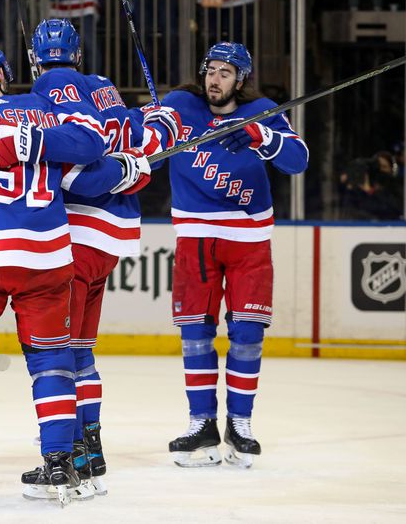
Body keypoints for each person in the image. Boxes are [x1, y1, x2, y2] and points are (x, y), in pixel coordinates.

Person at [0, 41, 149, 506]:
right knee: (52, 364)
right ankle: (60, 460)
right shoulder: (41, 108)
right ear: (3, 74)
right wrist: (128, 168)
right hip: (45, 260)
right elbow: (89, 150)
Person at [21, 18, 181, 497]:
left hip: (74, 237)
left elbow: (75, 167)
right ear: (80, 53)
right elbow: (147, 149)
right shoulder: (107, 91)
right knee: (81, 350)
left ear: (36, 58)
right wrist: (161, 123)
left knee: (55, 351)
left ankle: (68, 451)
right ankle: (90, 448)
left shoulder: (52, 86)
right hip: (112, 239)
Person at [130, 41, 308, 468]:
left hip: (249, 236)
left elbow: (298, 160)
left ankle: (240, 424)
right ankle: (201, 423)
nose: (215, 79)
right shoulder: (180, 104)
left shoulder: (261, 108)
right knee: (195, 334)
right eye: (211, 70)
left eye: (226, 72)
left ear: (240, 80)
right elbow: (144, 151)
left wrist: (262, 136)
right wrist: (150, 129)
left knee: (247, 335)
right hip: (195, 234)